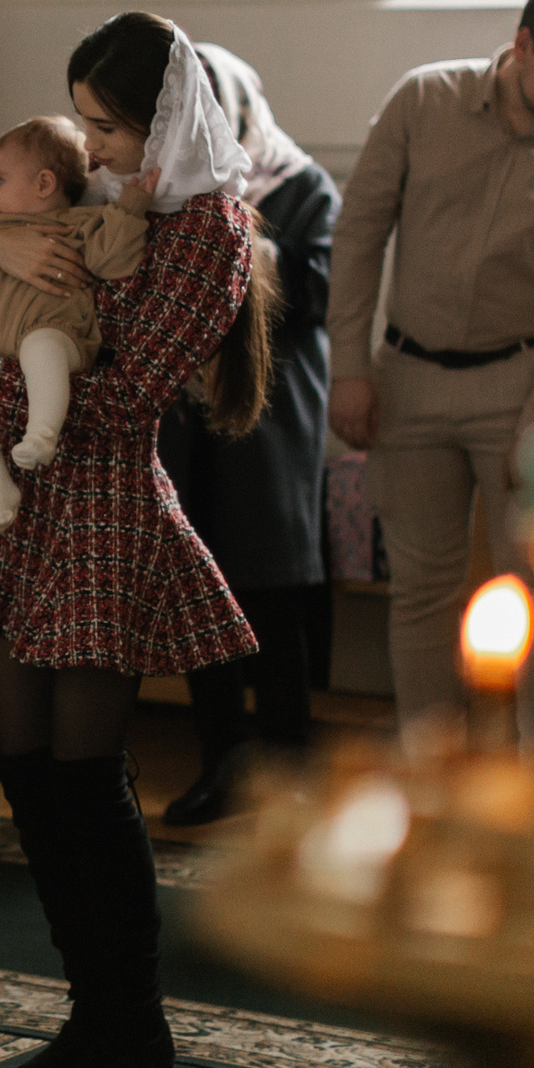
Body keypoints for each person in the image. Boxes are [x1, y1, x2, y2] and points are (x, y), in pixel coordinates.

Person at [0, 11, 276, 1068]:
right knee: (25, 762)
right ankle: (90, 1012)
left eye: (107, 124)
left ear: (164, 117)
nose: (94, 145)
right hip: (33, 501)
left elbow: (120, 392)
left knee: (86, 772)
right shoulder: (100, 205)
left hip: (105, 501)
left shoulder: (208, 227)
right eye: (80, 121)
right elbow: (14, 295)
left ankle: (131, 1024)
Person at [327, 0, 534, 738]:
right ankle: (430, 777)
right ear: (523, 43)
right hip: (409, 380)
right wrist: (350, 367)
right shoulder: (425, 100)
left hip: (527, 387)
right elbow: (360, 232)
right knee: (423, 593)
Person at [157, 46, 340, 826]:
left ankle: (289, 767)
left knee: (271, 590)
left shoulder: (302, 186)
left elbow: (319, 289)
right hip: (189, 408)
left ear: (238, 111)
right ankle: (223, 759)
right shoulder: (163, 188)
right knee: (206, 589)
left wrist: (234, 243)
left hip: (272, 407)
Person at [0, 115, 153, 531]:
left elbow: (112, 257)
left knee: (41, 349)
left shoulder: (80, 224)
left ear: (43, 184)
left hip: (62, 338)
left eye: (0, 180)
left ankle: (43, 432)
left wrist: (131, 206)